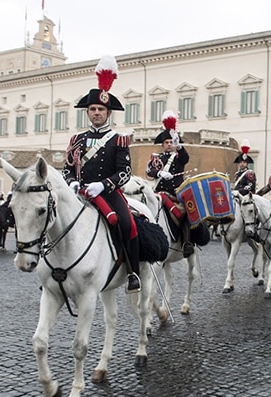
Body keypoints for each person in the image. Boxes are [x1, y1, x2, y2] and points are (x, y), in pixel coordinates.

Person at [63, 55, 141, 293]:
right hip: (81, 194)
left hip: (107, 194)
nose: (96, 113)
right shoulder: (77, 139)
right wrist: (73, 183)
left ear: (108, 113)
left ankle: (132, 272)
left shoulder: (118, 139)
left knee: (128, 225)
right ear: (88, 112)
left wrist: (104, 185)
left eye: (100, 109)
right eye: (93, 109)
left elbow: (125, 172)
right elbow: (66, 169)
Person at [145, 110, 195, 258]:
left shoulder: (178, 157)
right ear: (162, 144)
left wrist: (179, 146)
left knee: (185, 211)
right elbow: (149, 170)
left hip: (175, 193)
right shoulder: (157, 158)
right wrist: (159, 173)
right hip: (159, 192)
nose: (168, 145)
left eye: (170, 142)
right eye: (166, 143)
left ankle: (187, 242)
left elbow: (185, 158)